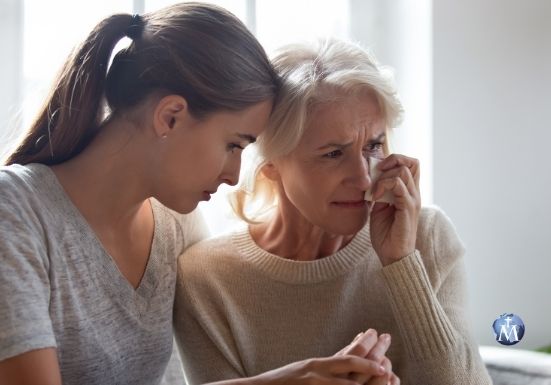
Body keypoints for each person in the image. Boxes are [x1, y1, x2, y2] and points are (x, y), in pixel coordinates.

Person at [0, 4, 399, 385]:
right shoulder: (16, 211)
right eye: (233, 145)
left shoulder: (176, 223)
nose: (234, 175)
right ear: (170, 116)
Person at [174, 38, 493, 385]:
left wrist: (402, 263)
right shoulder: (206, 279)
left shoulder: (426, 234)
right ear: (271, 166)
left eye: (373, 145)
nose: (361, 178)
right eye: (332, 154)